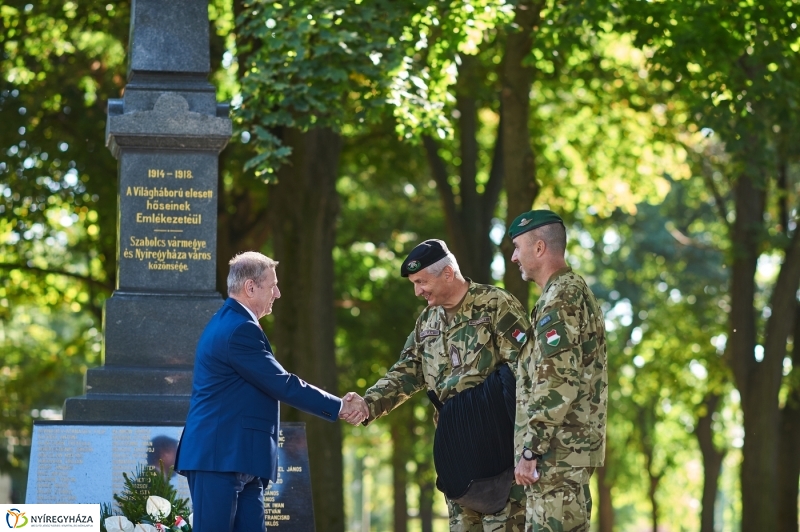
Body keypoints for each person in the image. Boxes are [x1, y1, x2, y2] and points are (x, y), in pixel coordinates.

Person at [343, 239, 531, 531]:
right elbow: (407, 371)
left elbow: (526, 371)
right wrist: (368, 403)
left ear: (447, 273)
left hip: (500, 449)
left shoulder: (495, 305)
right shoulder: (427, 321)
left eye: (421, 282)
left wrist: (531, 446)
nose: (418, 291)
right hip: (457, 450)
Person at [175, 251, 364, 532]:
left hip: (243, 460)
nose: (278, 292)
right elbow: (282, 383)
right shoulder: (238, 329)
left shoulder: (237, 324)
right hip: (219, 458)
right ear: (251, 287)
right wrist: (339, 406)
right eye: (272, 285)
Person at [507, 210, 607, 532]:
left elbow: (558, 381)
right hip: (561, 457)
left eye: (517, 247)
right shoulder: (563, 293)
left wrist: (530, 449)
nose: (513, 257)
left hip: (556, 457)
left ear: (539, 248)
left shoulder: (561, 297)